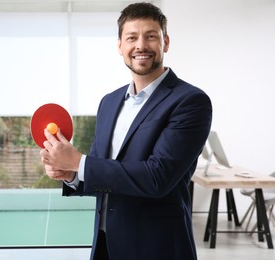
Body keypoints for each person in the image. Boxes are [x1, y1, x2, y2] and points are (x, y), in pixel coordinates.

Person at [39, 2, 212, 260]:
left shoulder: (190, 101)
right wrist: (71, 173)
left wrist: (79, 161)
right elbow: (101, 172)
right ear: (119, 46)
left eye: (150, 36)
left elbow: (157, 178)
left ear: (165, 42)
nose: (140, 45)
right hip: (105, 246)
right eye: (132, 37)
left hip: (158, 249)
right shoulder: (109, 102)